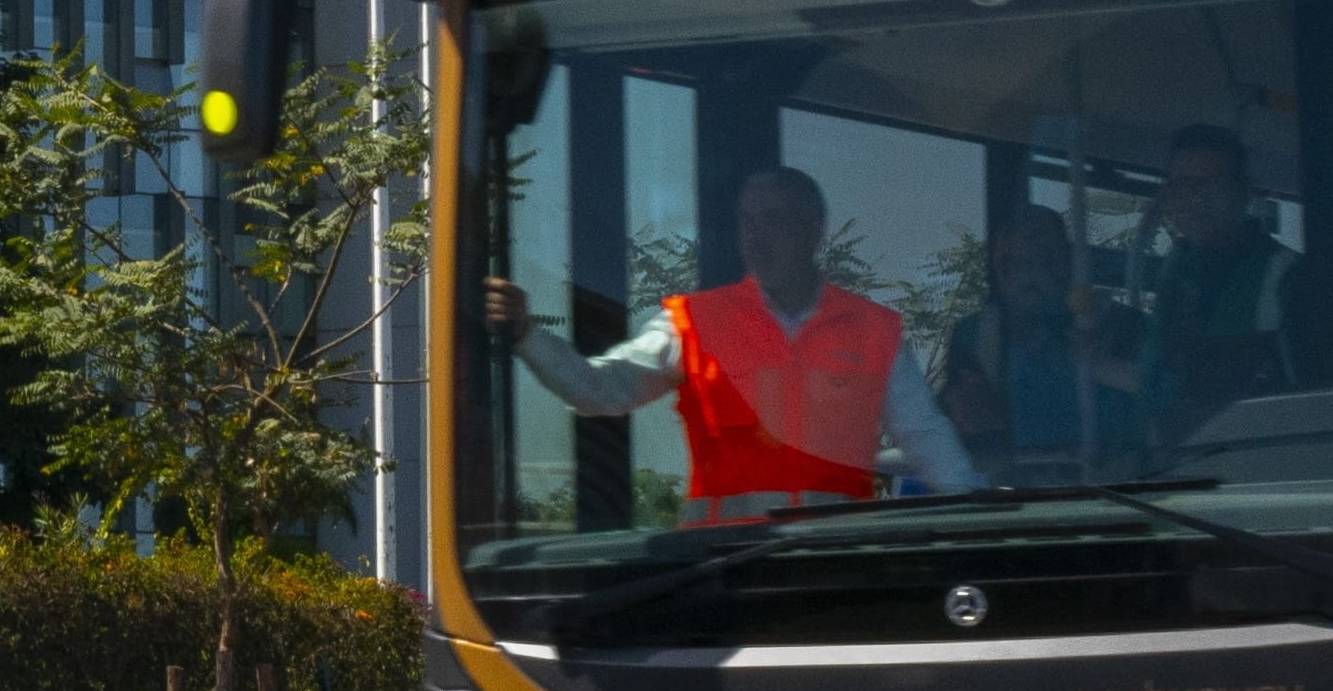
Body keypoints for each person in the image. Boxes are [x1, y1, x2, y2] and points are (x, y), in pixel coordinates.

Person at [487, 165, 975, 518]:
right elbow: (599, 389)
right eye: (748, 220)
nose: (757, 235)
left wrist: (975, 519)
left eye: (774, 219)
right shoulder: (693, 322)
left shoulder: (874, 330)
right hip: (719, 575)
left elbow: (925, 436)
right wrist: (527, 334)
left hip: (834, 569)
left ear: (814, 229)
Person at [936, 203, 1144, 485]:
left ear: (1065, 262)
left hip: (1119, 499)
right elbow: (944, 433)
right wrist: (961, 414)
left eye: (1038, 260)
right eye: (1006, 262)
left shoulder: (1122, 327)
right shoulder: (975, 335)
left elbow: (1165, 410)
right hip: (1013, 510)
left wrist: (1013, 419)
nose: (1019, 275)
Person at [1137, 122, 1297, 440]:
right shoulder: (1176, 272)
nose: (1195, 199)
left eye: (1212, 186)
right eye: (1182, 187)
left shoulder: (1285, 274)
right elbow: (1156, 376)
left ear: (1245, 192)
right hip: (1179, 461)